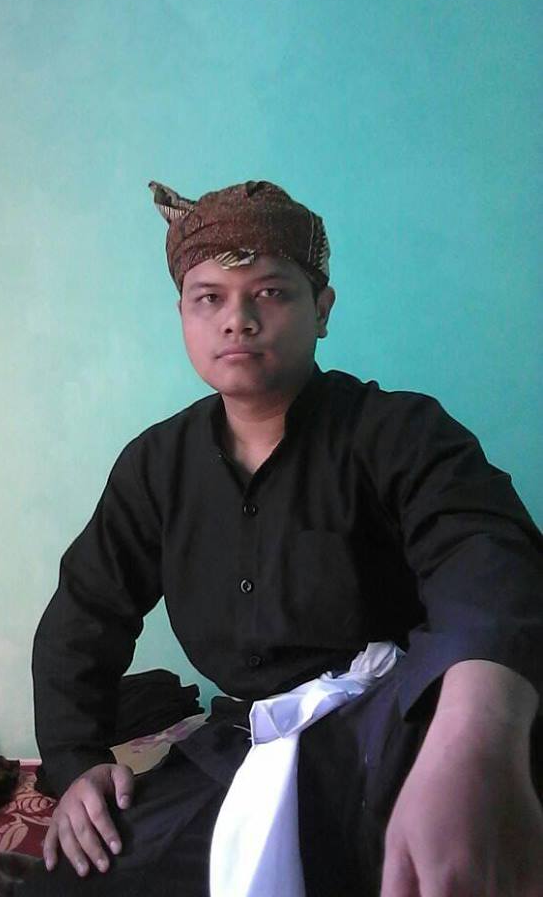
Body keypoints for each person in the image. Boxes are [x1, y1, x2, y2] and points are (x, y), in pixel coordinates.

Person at [26, 180, 543, 897]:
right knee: (77, 879)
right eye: (208, 298)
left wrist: (474, 739)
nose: (236, 320)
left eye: (269, 292)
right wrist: (75, 762)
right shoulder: (155, 466)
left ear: (321, 309)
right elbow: (85, 613)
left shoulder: (398, 430)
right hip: (245, 743)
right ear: (182, 314)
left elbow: (485, 555)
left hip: (395, 728)